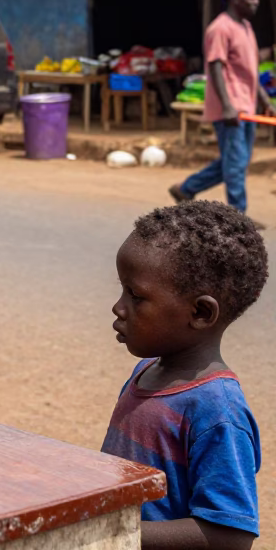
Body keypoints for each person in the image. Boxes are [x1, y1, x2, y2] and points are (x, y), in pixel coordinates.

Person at [103, 201, 266, 549]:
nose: (118, 307)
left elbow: (230, 536)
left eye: (135, 296)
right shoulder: (145, 372)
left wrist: (116, 533)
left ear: (200, 312)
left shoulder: (217, 411)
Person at [171, 0, 273, 215]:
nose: (257, 3)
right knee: (236, 164)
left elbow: (251, 70)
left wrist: (265, 100)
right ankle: (238, 216)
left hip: (246, 105)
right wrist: (227, 106)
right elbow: (215, 67)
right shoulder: (220, 28)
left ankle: (187, 189)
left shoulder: (245, 27)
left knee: (238, 161)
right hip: (230, 106)